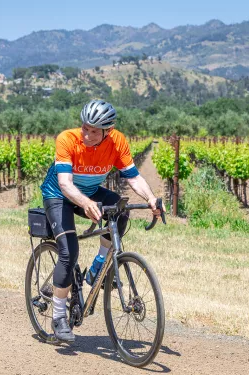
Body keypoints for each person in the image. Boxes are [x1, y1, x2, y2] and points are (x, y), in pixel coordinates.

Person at [40, 99, 163, 342]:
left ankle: (97, 267)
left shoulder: (117, 141)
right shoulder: (67, 139)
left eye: (94, 131)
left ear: (108, 131)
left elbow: (133, 177)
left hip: (90, 190)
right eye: (85, 127)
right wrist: (84, 203)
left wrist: (151, 198)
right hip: (59, 195)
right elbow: (65, 183)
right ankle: (59, 317)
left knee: (121, 209)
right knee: (69, 251)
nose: (86, 134)